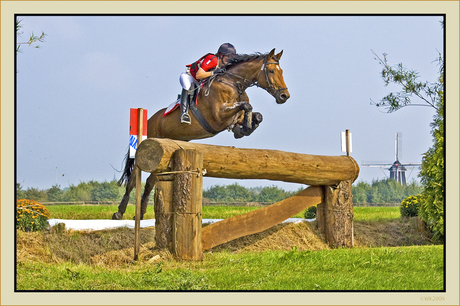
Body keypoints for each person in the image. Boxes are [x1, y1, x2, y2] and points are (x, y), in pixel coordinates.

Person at [179, 43, 237, 124]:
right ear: (221, 55)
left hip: (200, 82)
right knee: (187, 86)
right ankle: (184, 113)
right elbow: (198, 75)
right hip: (190, 77)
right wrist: (213, 72)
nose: (229, 60)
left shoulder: (224, 65)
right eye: (228, 57)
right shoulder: (213, 60)